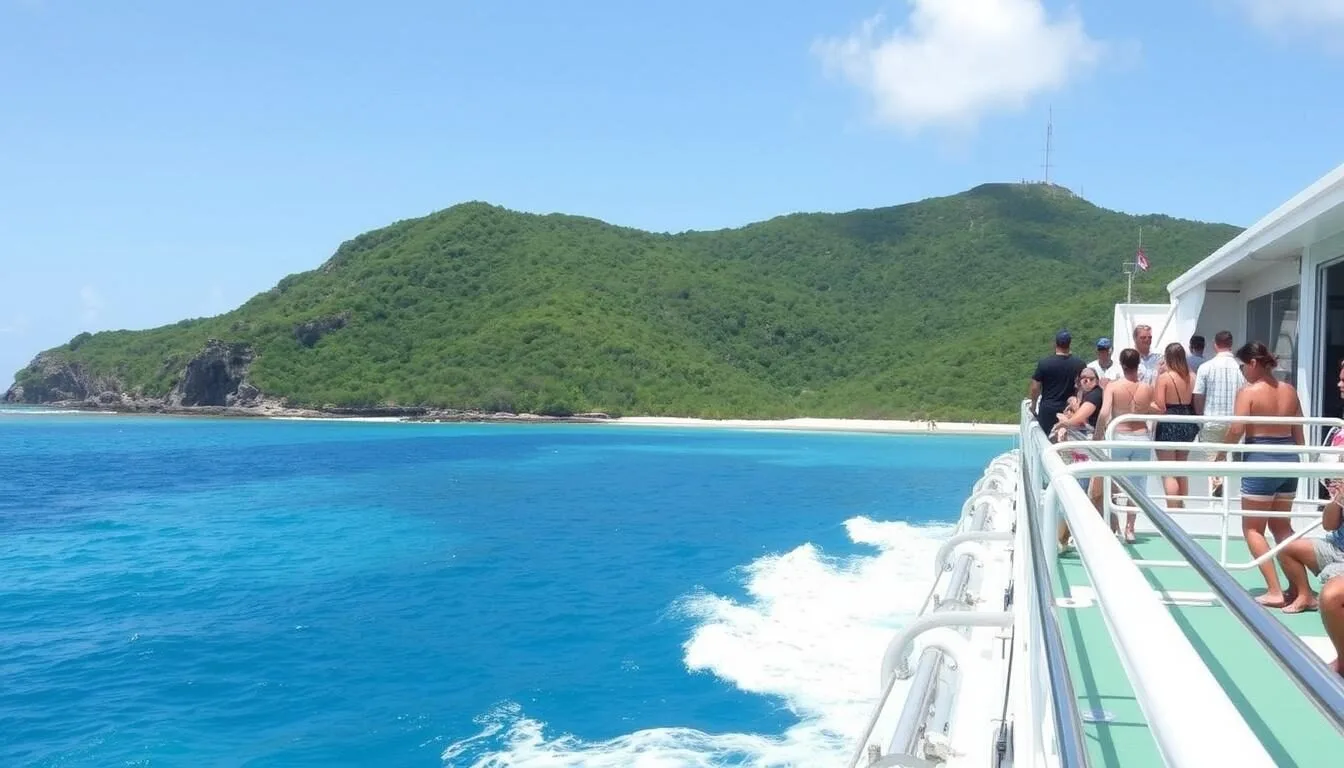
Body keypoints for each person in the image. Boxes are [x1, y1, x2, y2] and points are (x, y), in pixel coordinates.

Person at [1211, 342, 1303, 608]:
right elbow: (1299, 431)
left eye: (1243, 366)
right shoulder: (1289, 390)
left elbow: (1237, 428)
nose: (1242, 372)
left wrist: (1220, 454)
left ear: (1252, 363)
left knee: (1252, 528)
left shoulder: (1248, 392)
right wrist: (1300, 461)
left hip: (1261, 458)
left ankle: (1274, 590)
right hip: (1290, 459)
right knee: (1282, 527)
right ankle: (1302, 590)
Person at [1273, 359, 1344, 675]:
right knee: (1286, 547)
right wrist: (1339, 498)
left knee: (1332, 595)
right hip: (1339, 542)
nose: (1339, 384)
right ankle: (1305, 596)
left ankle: (1342, 661)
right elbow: (1330, 524)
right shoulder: (1339, 431)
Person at [1089, 348, 1154, 540]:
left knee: (1114, 482)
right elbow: (1154, 409)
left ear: (1122, 364)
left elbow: (1104, 412)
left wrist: (1098, 435)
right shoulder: (1147, 388)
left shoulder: (1113, 387)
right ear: (1138, 364)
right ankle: (1130, 528)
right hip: (1142, 438)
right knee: (1138, 485)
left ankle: (1112, 523)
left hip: (1119, 435)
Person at [1192, 330, 1246, 495]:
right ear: (1231, 345)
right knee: (1233, 460)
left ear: (1215, 345)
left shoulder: (1205, 367)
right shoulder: (1241, 368)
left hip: (1212, 419)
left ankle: (1216, 487)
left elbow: (1198, 396)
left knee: (1213, 461)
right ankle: (1233, 493)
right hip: (1236, 422)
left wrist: (1201, 417)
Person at [1152, 342, 1200, 511]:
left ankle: (1173, 508)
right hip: (1188, 420)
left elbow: (1160, 405)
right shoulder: (1193, 376)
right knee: (1181, 466)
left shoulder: (1165, 378)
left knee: (1168, 470)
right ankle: (1182, 505)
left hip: (1169, 421)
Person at [1029, 330, 1086, 438]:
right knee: (1068, 442)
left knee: (1045, 441)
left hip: (1048, 409)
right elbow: (1082, 389)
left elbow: (1035, 388)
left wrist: (1033, 405)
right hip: (1069, 410)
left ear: (1055, 344)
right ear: (1070, 344)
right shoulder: (1080, 364)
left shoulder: (1044, 363)